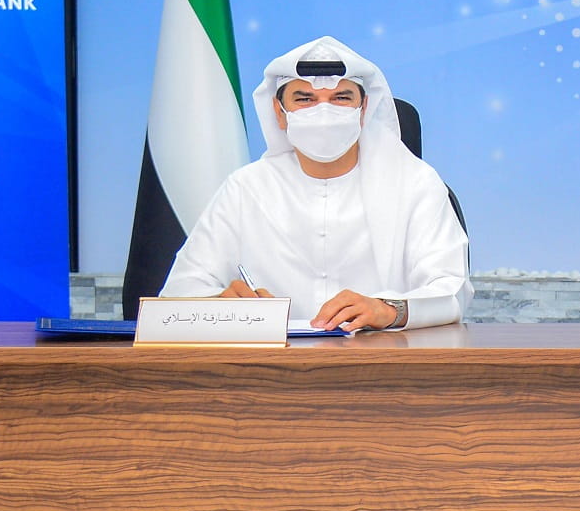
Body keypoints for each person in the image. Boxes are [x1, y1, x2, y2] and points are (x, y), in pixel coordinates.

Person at [160, 36, 471, 331]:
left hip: (380, 360)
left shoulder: (416, 184)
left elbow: (452, 290)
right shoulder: (245, 188)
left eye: (341, 98)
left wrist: (388, 309)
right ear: (279, 113)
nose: (324, 110)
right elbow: (178, 293)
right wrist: (219, 303)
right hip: (270, 364)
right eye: (305, 99)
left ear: (363, 110)